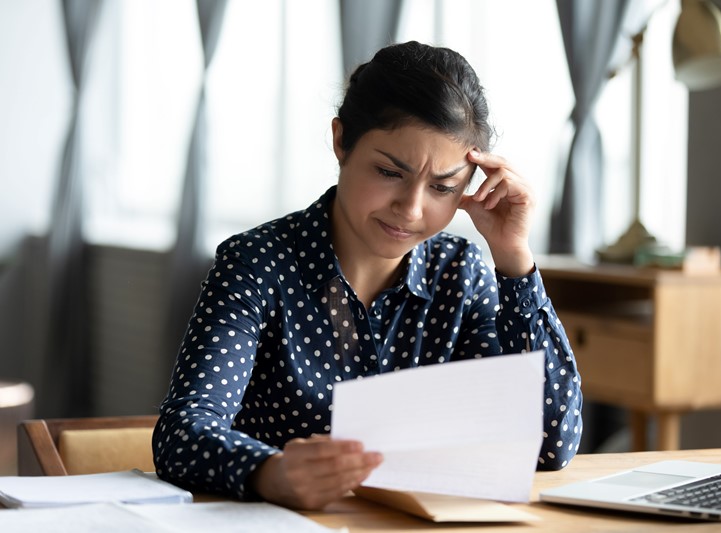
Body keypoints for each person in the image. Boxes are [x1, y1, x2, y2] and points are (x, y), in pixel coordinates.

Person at [153, 40, 582, 511]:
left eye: (443, 186)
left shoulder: (460, 273)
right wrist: (268, 472)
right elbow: (182, 434)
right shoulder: (257, 263)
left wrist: (514, 257)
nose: (412, 208)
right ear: (341, 141)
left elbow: (548, 446)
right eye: (388, 171)